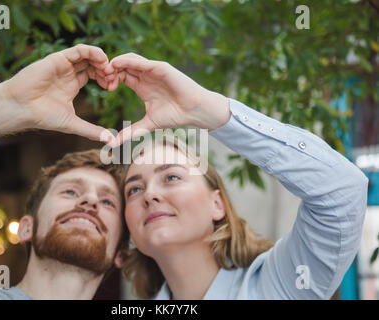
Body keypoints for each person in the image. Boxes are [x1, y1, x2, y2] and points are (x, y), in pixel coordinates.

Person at [102, 53, 370, 299]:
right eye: (134, 190)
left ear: (217, 204)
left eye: (171, 177)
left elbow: (342, 189)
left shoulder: (278, 285)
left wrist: (205, 109)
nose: (150, 194)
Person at [0, 44, 128, 299]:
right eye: (69, 191)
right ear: (26, 228)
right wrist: (10, 104)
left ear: (122, 252)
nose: (89, 200)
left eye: (108, 202)